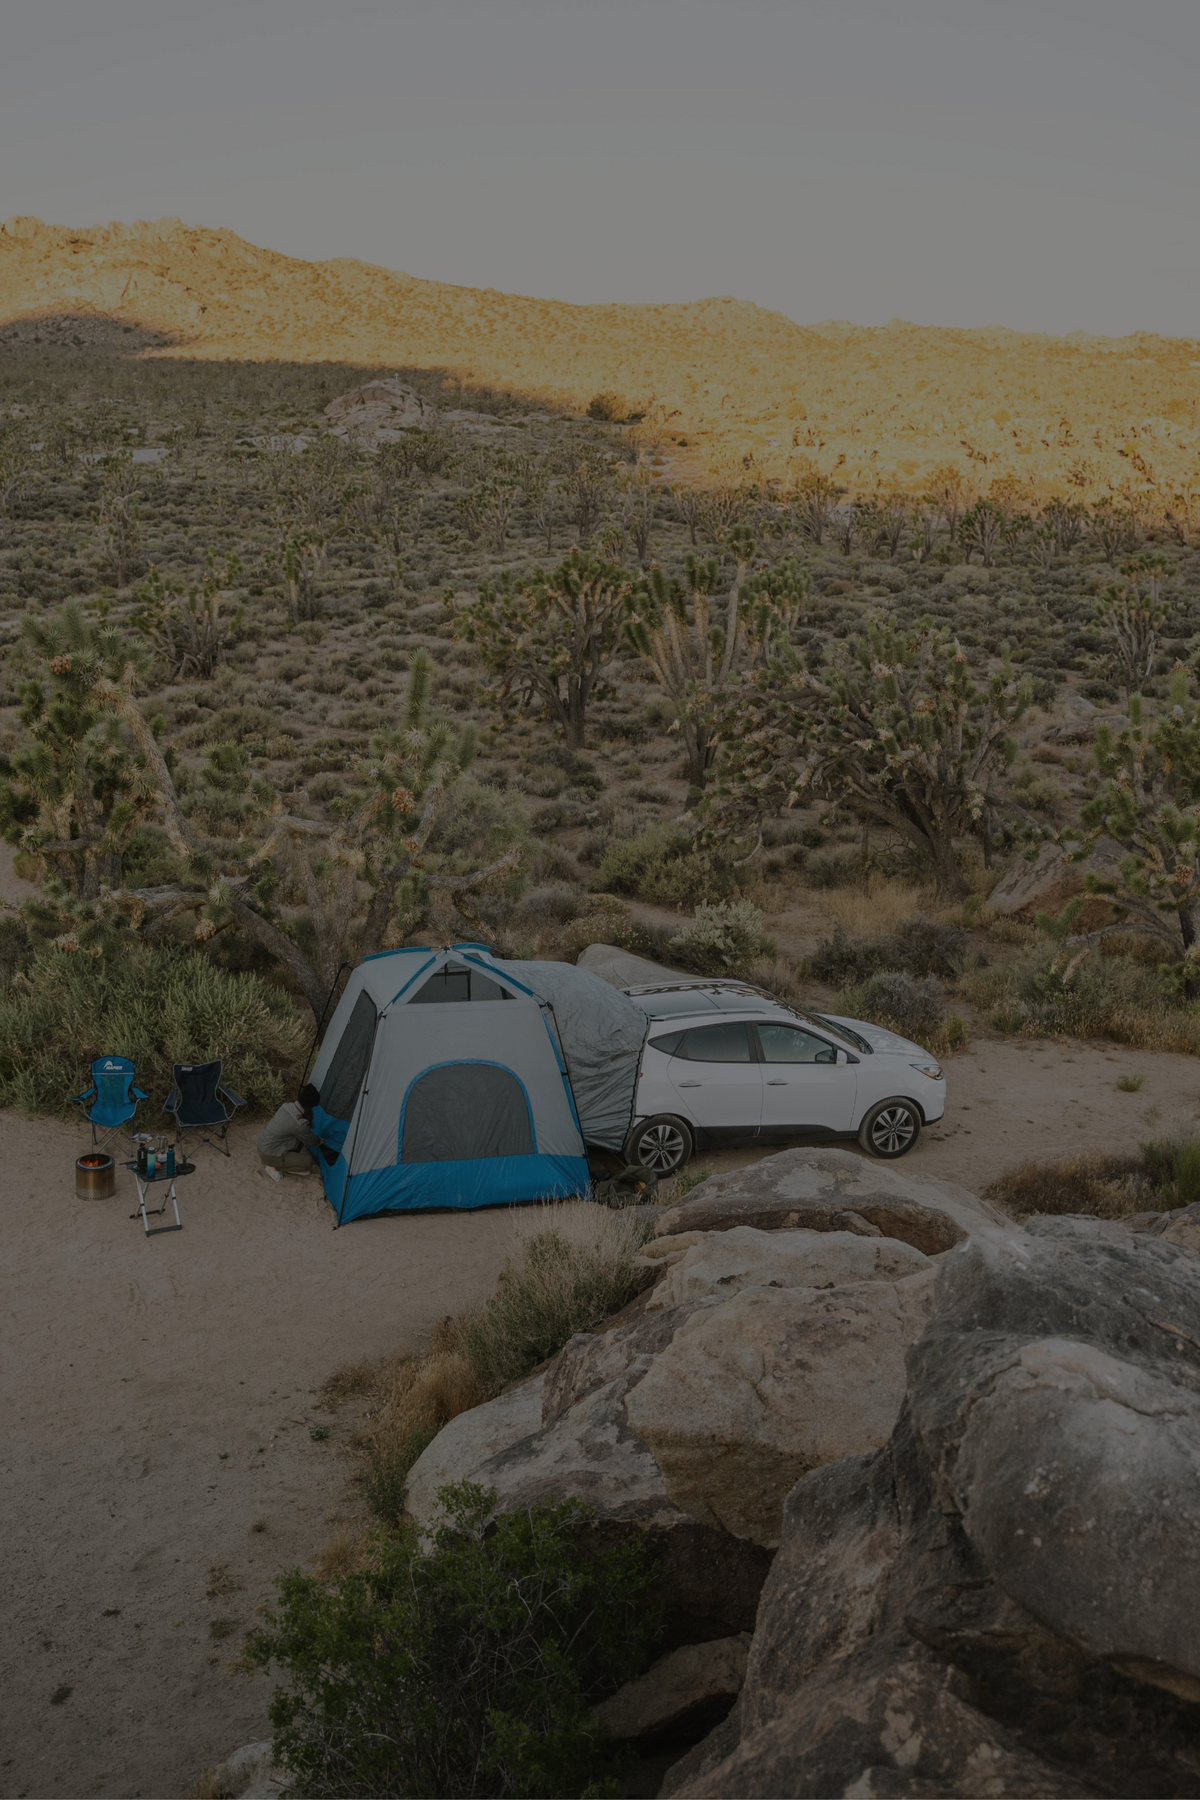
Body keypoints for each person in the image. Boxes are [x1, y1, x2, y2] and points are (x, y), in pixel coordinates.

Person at [257, 1083, 322, 1181]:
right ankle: (274, 1167)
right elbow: (312, 1141)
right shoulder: (300, 1124)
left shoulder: (286, 1106)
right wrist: (320, 1140)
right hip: (268, 1154)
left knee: (298, 1138)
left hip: (262, 1145)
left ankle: (285, 1163)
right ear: (309, 1107)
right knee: (308, 1162)